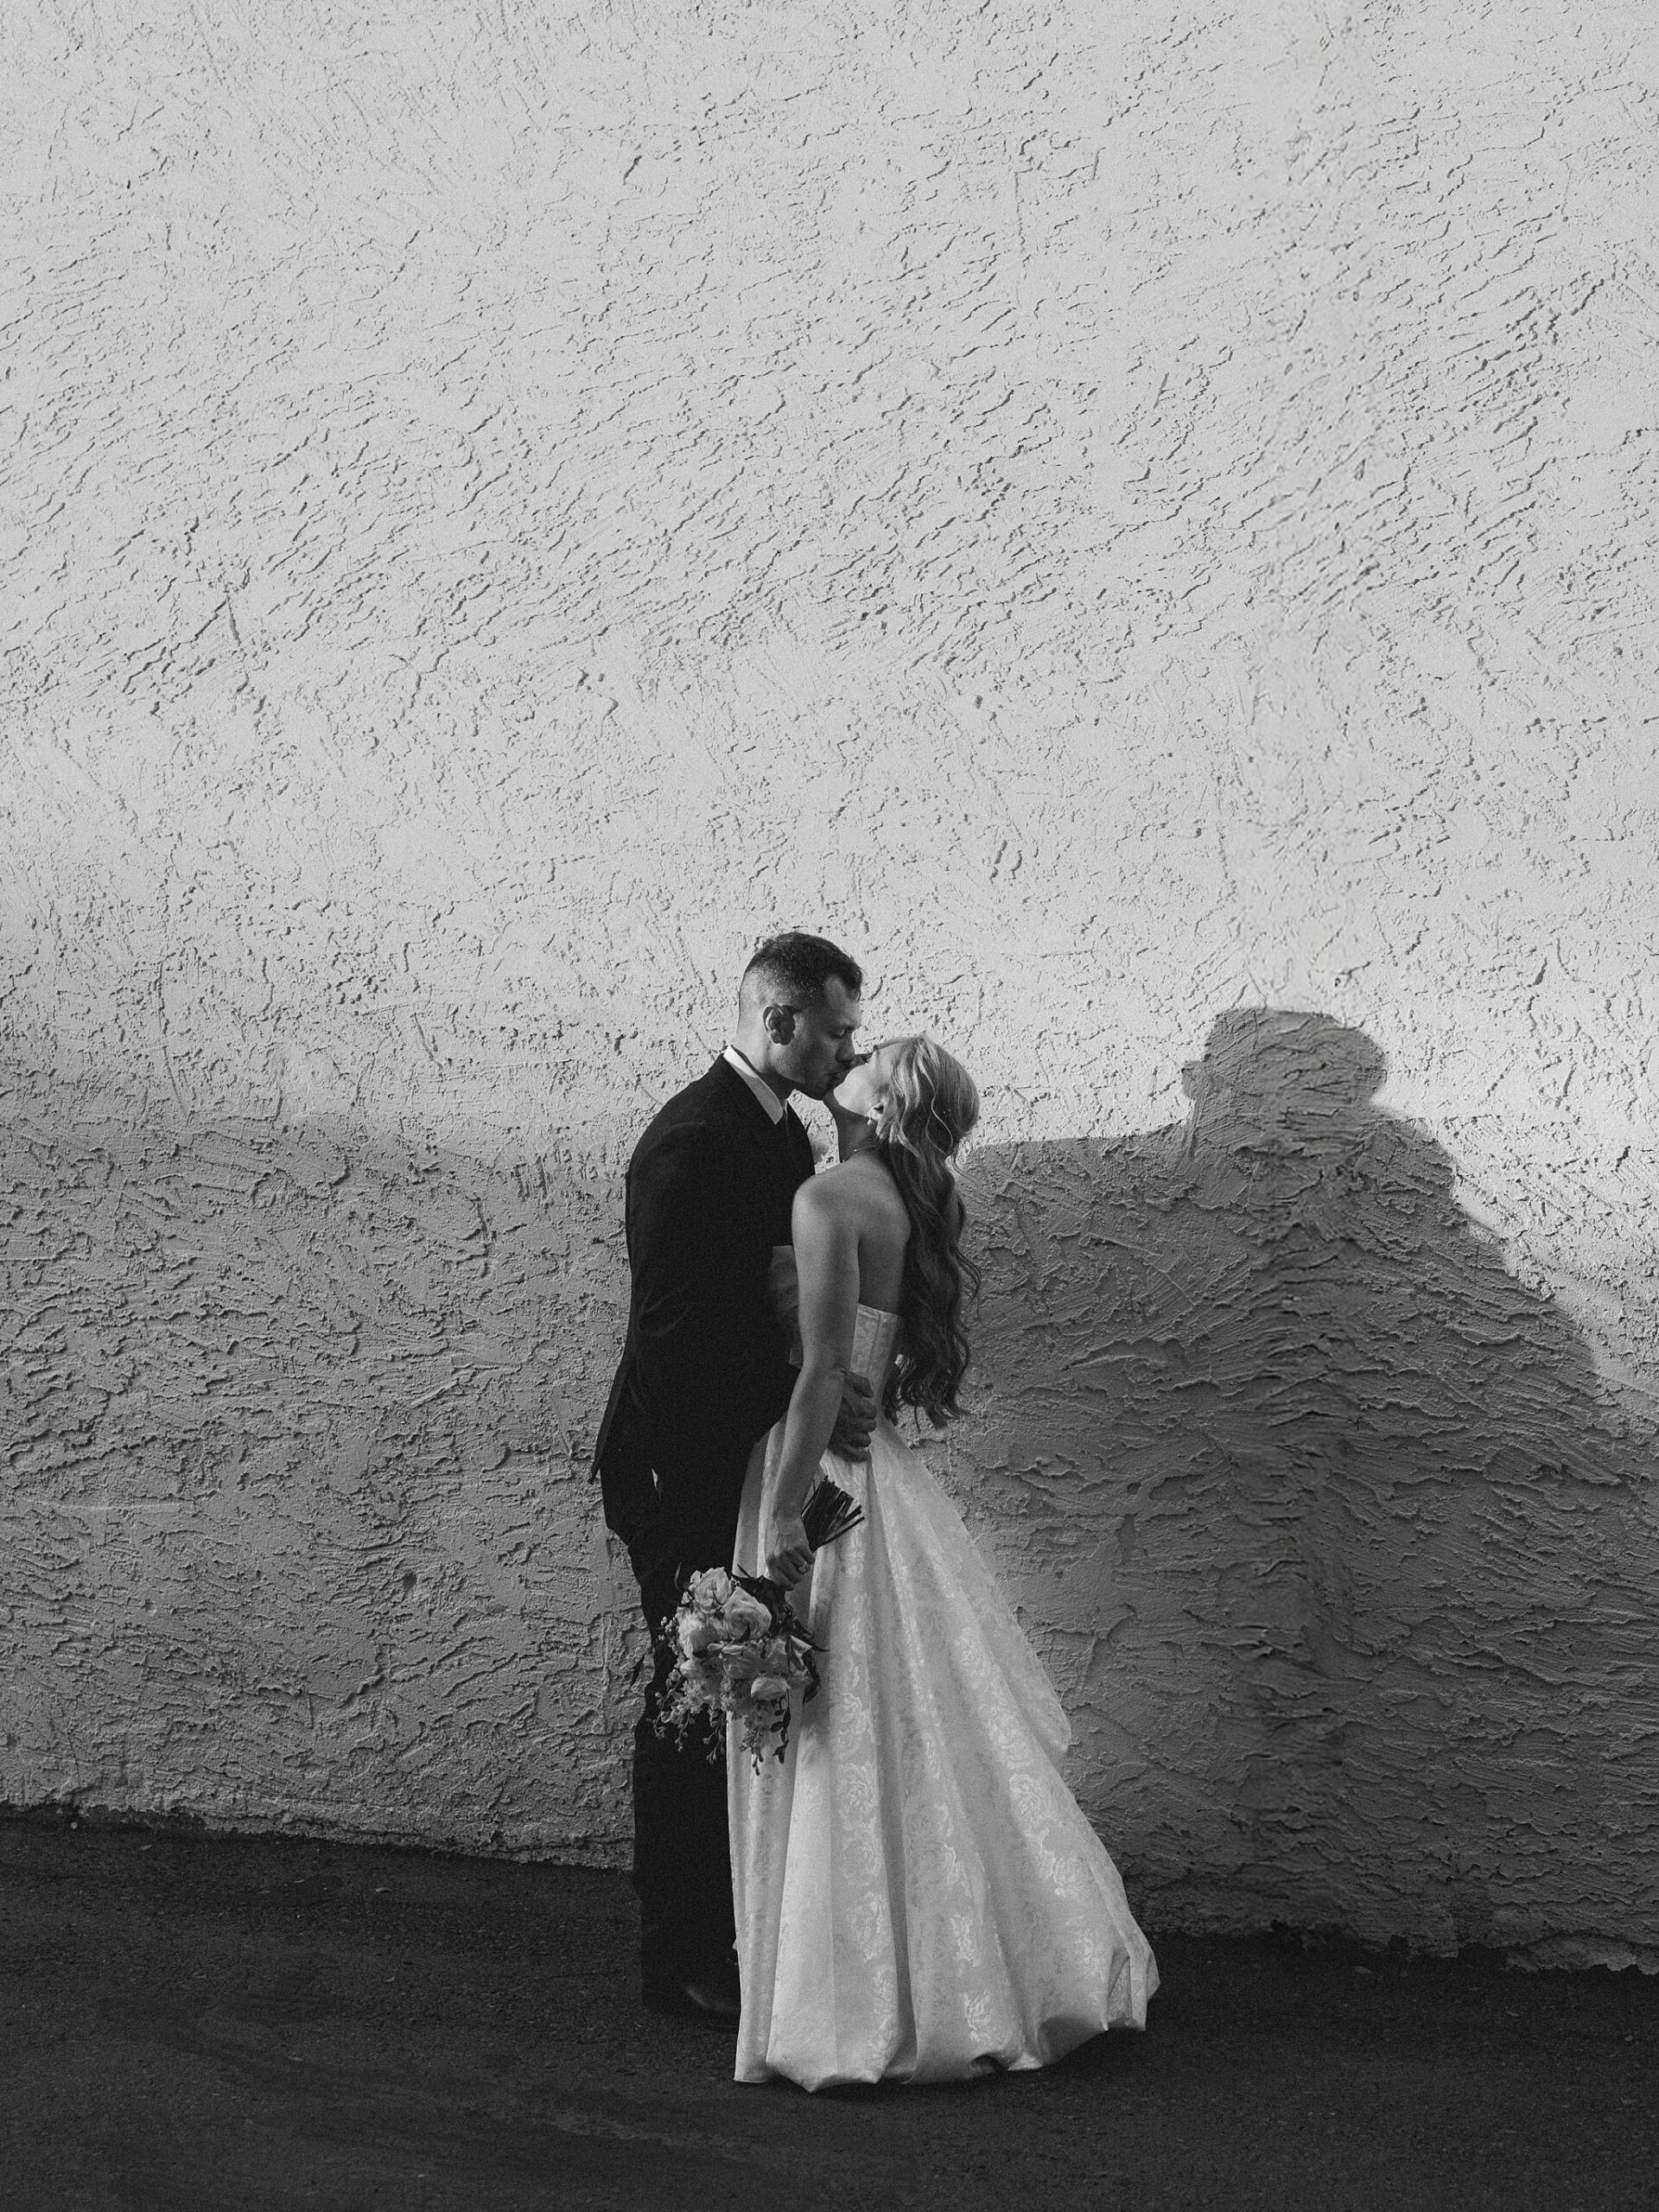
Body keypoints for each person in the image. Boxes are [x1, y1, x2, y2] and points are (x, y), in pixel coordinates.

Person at [729, 1034, 1159, 2088]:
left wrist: (785, 1512)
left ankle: (859, 1990)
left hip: (823, 1476)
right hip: (885, 1484)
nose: (853, 1051)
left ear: (884, 1099)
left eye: (868, 1054)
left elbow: (829, 1367)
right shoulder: (921, 1203)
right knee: (904, 1721)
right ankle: (958, 1961)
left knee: (839, 1725)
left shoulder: (831, 1198)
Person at [594, 931, 877, 2021]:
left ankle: (732, 1928)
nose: (851, 1048)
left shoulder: (777, 1134)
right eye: (838, 1029)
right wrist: (799, 1389)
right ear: (780, 1023)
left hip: (735, 1456)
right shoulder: (695, 1141)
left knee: (732, 1686)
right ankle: (678, 1955)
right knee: (687, 1688)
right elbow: (674, 1336)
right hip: (680, 1464)